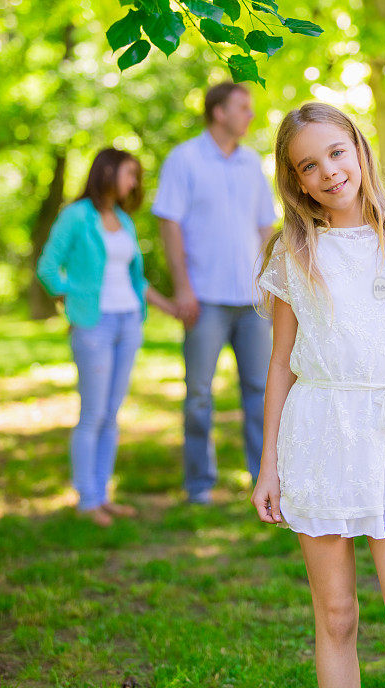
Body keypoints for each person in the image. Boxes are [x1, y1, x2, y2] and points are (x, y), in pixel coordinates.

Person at [252, 102, 385, 688]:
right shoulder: (295, 253)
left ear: (359, 149)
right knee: (337, 615)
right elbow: (280, 365)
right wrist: (268, 464)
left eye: (336, 152)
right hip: (317, 433)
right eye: (309, 165)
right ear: (296, 180)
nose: (329, 172)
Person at [37, 148, 176, 527]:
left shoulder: (123, 221)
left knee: (111, 414)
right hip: (94, 324)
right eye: (130, 174)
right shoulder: (76, 216)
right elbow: (48, 267)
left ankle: (102, 495)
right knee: (93, 413)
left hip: (128, 321)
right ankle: (86, 499)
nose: (134, 183)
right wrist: (74, 298)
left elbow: (135, 279)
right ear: (109, 172)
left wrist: (169, 306)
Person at [152, 81, 277, 504]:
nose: (251, 115)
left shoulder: (252, 163)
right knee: (200, 396)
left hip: (253, 301)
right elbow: (169, 224)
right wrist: (183, 288)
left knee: (262, 392)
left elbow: (265, 226)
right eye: (243, 107)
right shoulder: (183, 159)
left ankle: (266, 481)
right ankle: (199, 485)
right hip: (203, 299)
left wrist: (271, 284)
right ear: (219, 112)